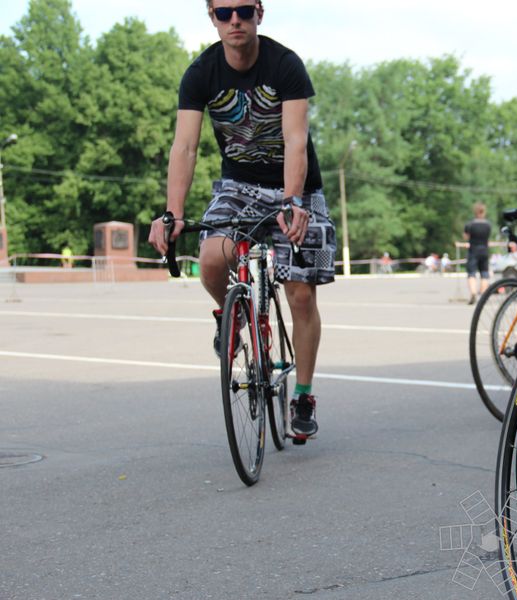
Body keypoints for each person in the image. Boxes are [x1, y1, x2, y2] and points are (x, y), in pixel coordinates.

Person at [148, 0, 334, 441]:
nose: (235, 20)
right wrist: (172, 212)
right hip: (239, 186)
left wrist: (293, 201)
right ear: (212, 17)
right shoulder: (201, 73)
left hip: (297, 187)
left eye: (244, 11)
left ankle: (303, 395)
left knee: (300, 294)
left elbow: (295, 139)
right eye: (224, 12)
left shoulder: (285, 65)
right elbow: (185, 147)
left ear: (259, 14)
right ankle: (233, 316)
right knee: (212, 258)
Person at [463, 202, 491, 304]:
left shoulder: (470, 225)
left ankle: (473, 293)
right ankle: (483, 296)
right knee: (484, 272)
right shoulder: (488, 225)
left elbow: (466, 237)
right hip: (484, 250)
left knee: (471, 273)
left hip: (473, 250)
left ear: (475, 212)